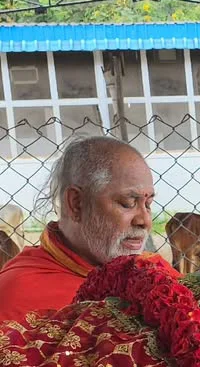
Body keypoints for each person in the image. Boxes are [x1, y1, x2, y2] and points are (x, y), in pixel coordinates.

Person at [0, 135, 163, 325]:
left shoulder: (154, 272)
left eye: (148, 204)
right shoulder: (18, 295)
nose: (144, 221)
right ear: (76, 204)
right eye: (127, 203)